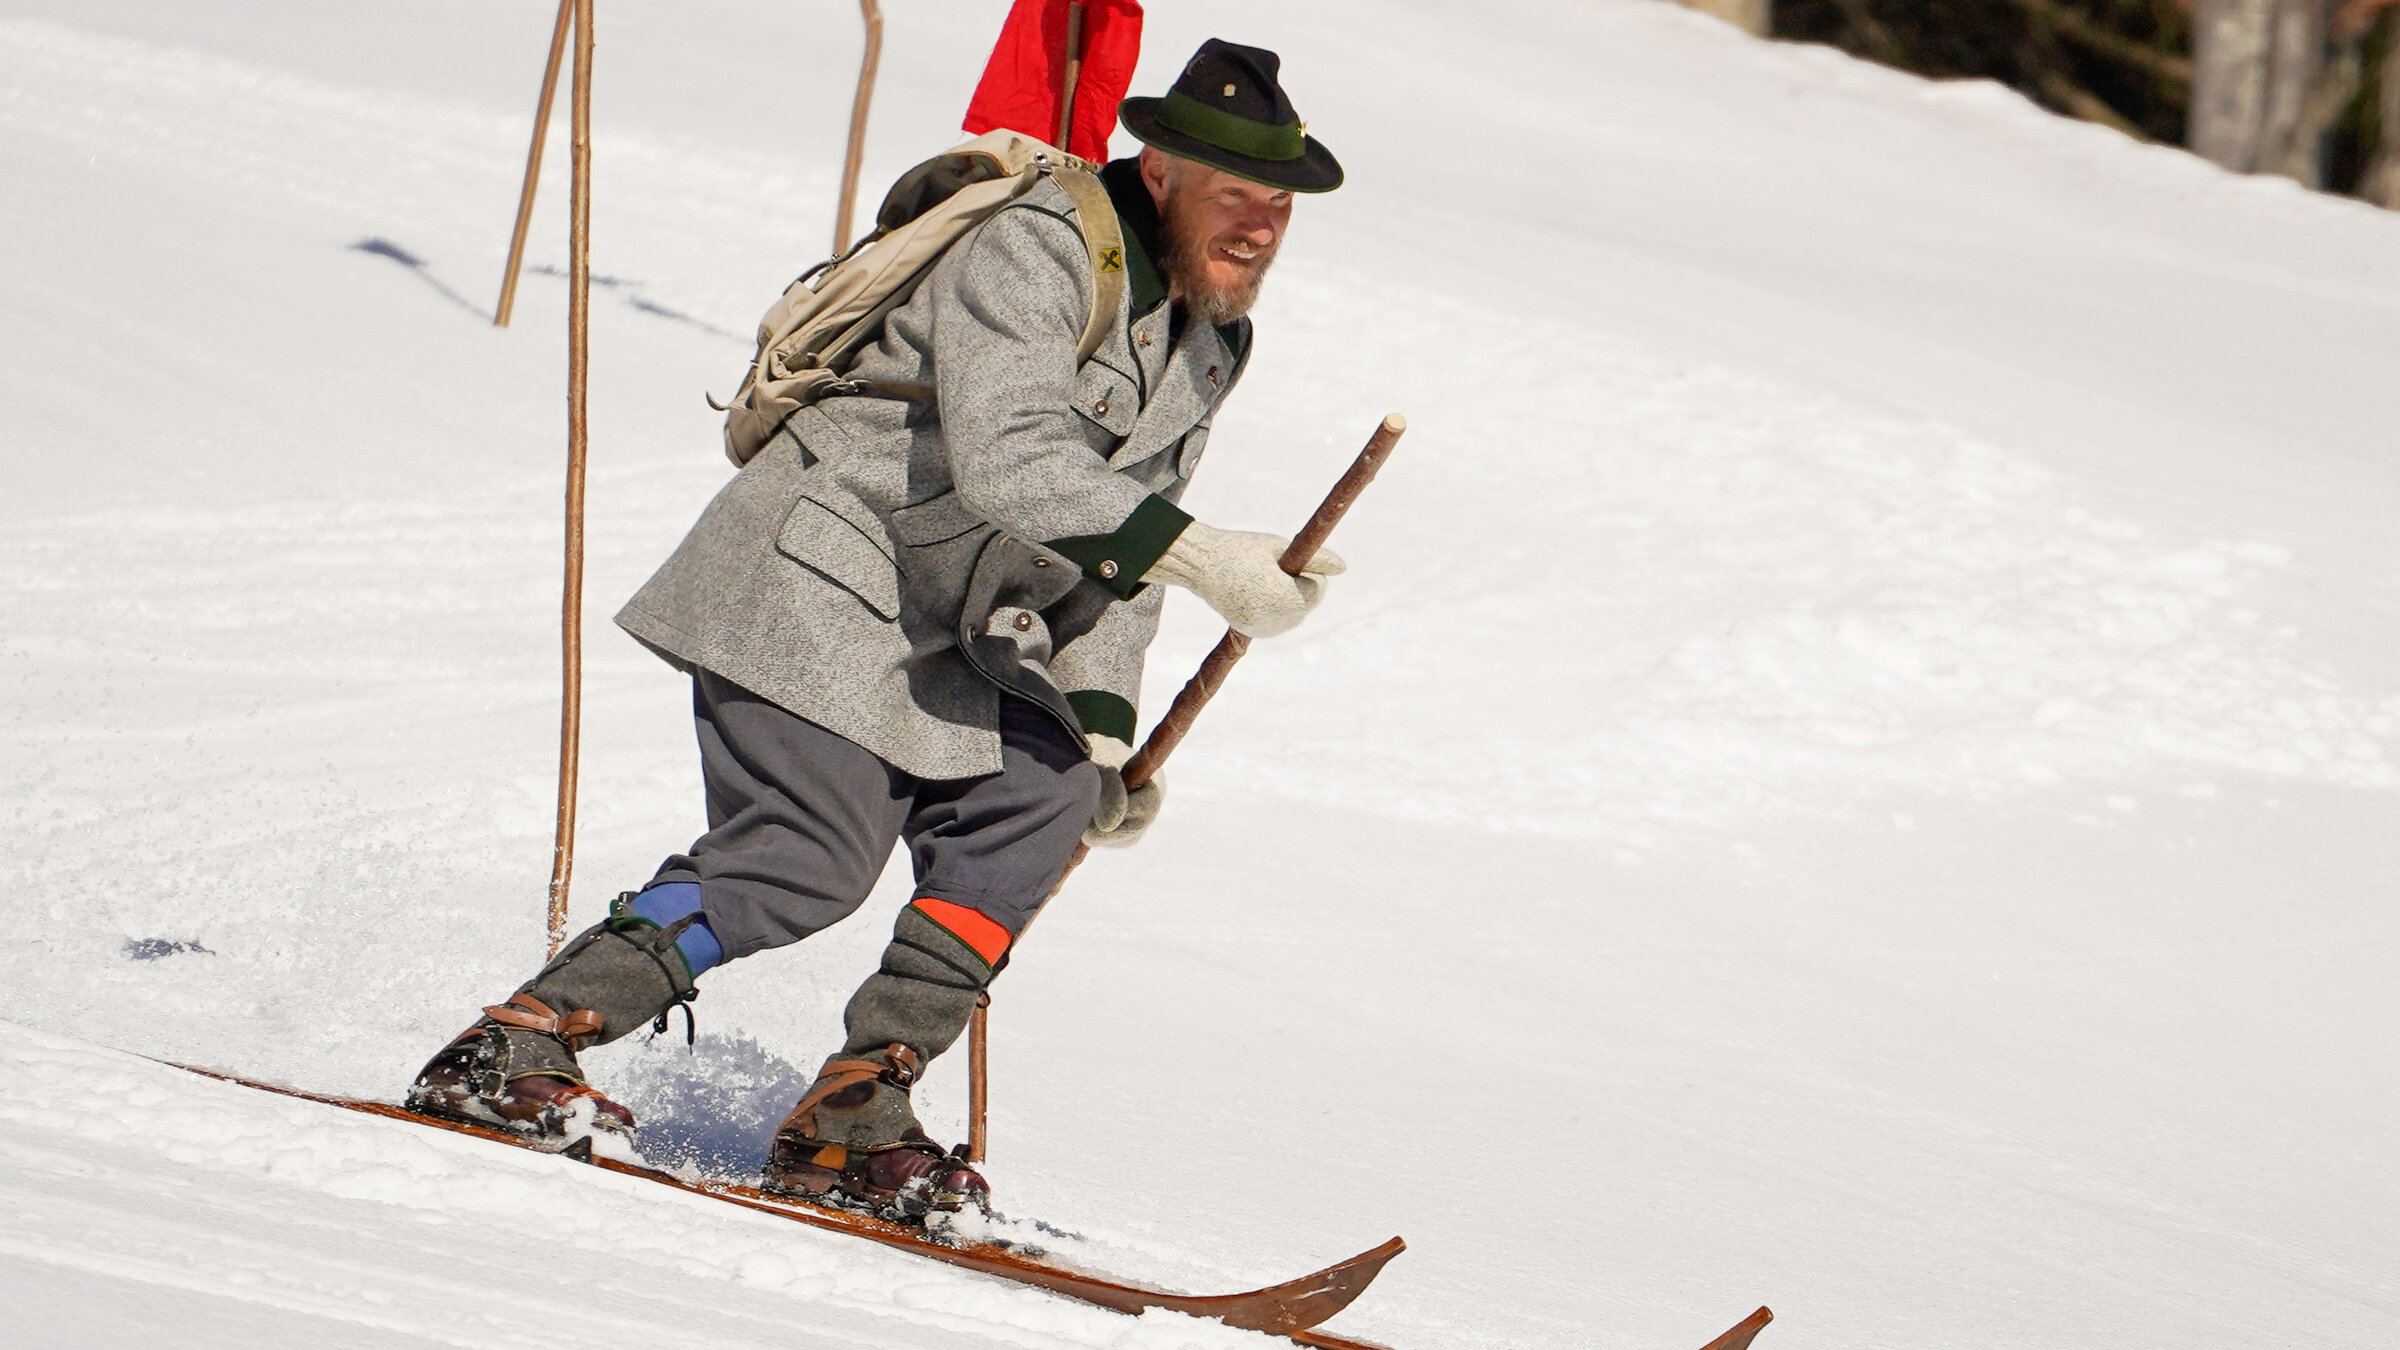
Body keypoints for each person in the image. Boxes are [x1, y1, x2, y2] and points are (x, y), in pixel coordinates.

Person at [406, 38, 1346, 1218]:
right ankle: (521, 1037)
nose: (1260, 226)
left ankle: (855, 1111)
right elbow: (1016, 466)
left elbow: (1115, 555)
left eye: (1279, 203)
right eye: (1235, 194)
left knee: (1041, 795)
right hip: (819, 573)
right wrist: (1206, 553)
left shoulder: (1212, 341)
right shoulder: (1040, 248)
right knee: (808, 857)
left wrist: (1104, 735)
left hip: (948, 627)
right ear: (1158, 171)